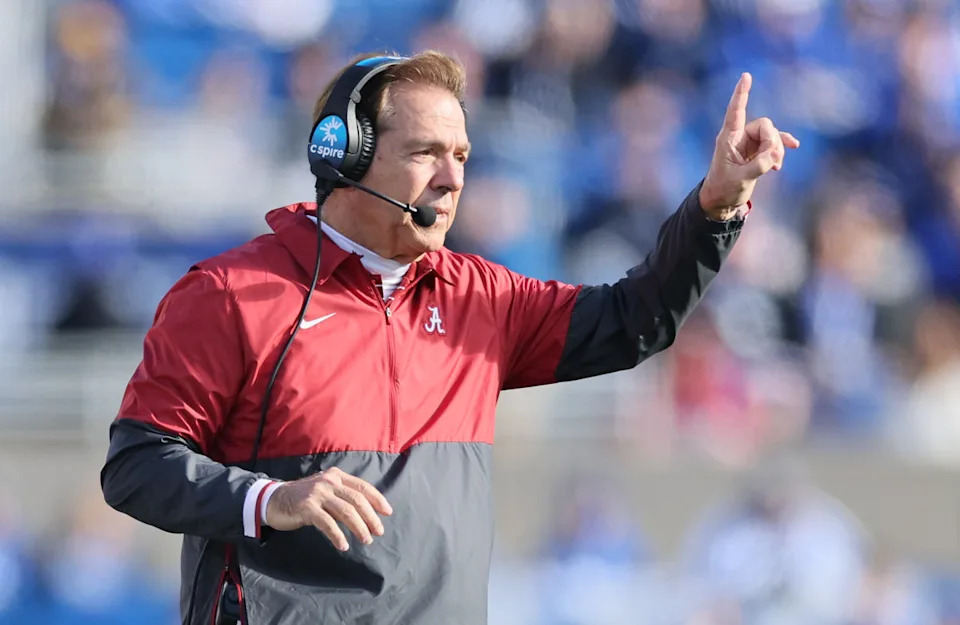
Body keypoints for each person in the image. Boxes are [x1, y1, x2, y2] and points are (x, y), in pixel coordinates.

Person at [100, 50, 798, 625]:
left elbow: (632, 320)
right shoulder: (229, 293)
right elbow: (136, 466)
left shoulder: (481, 296)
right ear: (344, 154)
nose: (454, 177)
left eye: (462, 154)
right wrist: (269, 499)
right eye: (427, 152)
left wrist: (716, 205)